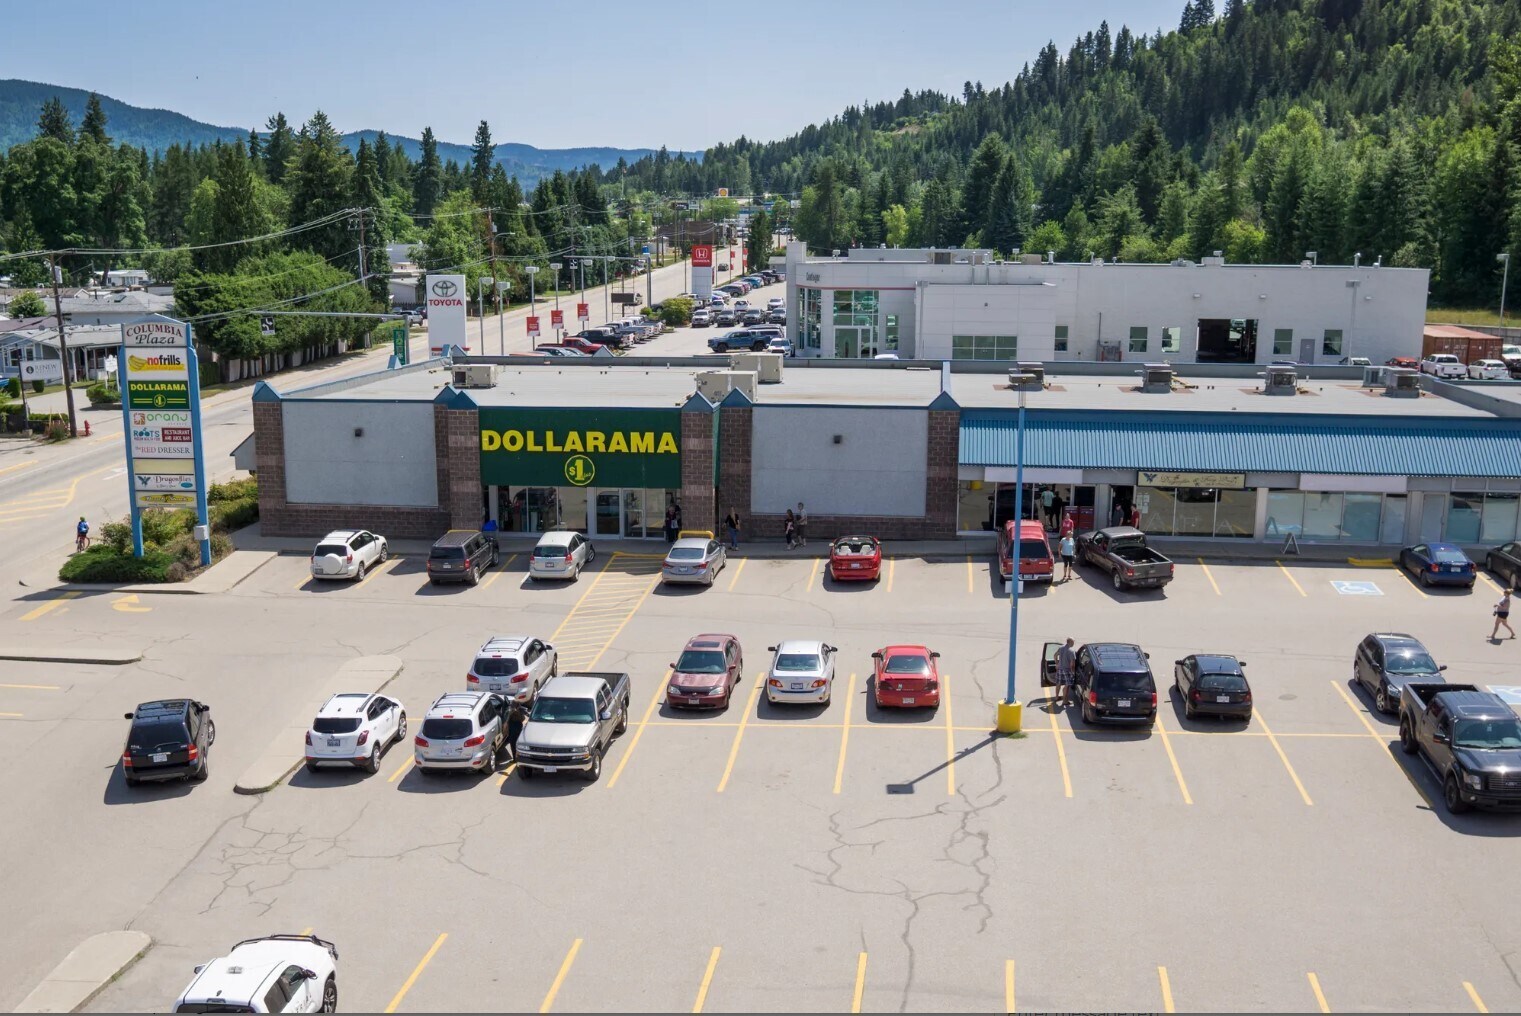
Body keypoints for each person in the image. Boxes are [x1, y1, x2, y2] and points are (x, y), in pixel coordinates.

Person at [1055, 638, 1077, 709]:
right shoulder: (1071, 651)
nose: (1074, 642)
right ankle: (1065, 701)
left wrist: (1057, 664)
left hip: (1060, 669)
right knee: (1067, 686)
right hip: (1067, 670)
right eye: (1073, 641)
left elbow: (1055, 655)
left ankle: (1056, 697)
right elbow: (1072, 664)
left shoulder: (1060, 648)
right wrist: (1073, 672)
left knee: (1058, 683)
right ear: (1070, 642)